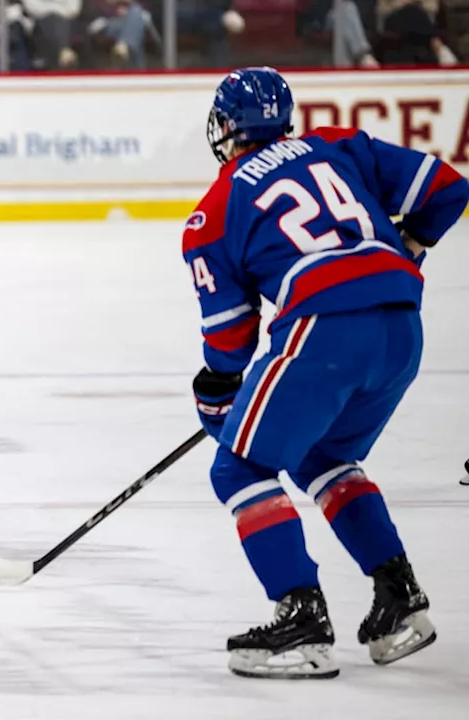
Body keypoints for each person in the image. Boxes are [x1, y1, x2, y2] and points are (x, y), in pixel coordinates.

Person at [182, 66, 467, 679]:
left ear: (226, 128)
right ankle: (400, 600)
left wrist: (216, 395)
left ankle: (301, 621)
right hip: (402, 327)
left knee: (238, 466)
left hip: (325, 330)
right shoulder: (338, 144)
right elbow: (448, 189)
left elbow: (230, 342)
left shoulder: (214, 211)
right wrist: (410, 244)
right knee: (323, 456)